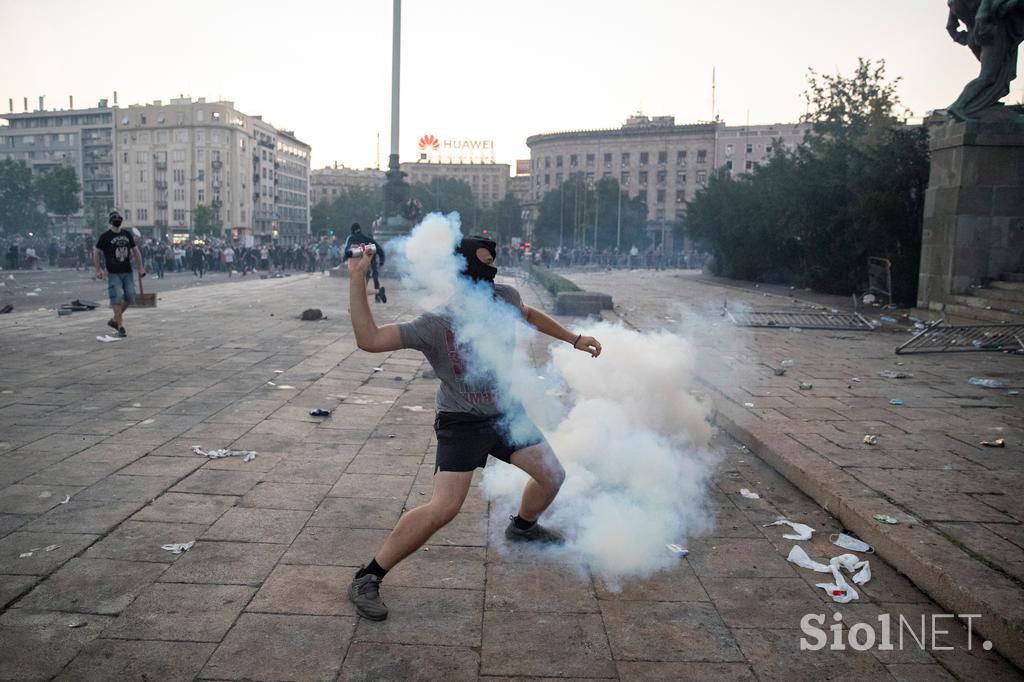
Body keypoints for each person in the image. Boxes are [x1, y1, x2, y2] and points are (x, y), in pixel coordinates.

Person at [344, 234, 602, 621]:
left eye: (493, 263)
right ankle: (368, 576)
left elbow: (528, 313)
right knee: (444, 507)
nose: (491, 272)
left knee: (552, 475)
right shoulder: (436, 323)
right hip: (461, 421)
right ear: (462, 272)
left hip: (503, 414)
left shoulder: (504, 298)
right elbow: (370, 339)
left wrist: (574, 338)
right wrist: (356, 280)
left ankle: (523, 527)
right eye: (482, 265)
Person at [94, 210, 145, 337]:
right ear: (111, 221)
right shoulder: (105, 236)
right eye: (115, 218)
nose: (117, 219)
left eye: (119, 217)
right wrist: (98, 269)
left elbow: (136, 251)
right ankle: (120, 326)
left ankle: (114, 320)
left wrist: (141, 268)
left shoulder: (127, 234)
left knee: (130, 296)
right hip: (113, 273)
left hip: (127, 271)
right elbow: (96, 252)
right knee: (116, 298)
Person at [342, 223, 387, 303]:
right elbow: (381, 252)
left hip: (358, 267)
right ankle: (377, 295)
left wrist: (343, 260)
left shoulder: (351, 238)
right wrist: (381, 263)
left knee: (359, 290)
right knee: (368, 285)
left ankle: (376, 293)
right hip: (370, 267)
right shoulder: (369, 239)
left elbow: (347, 252)